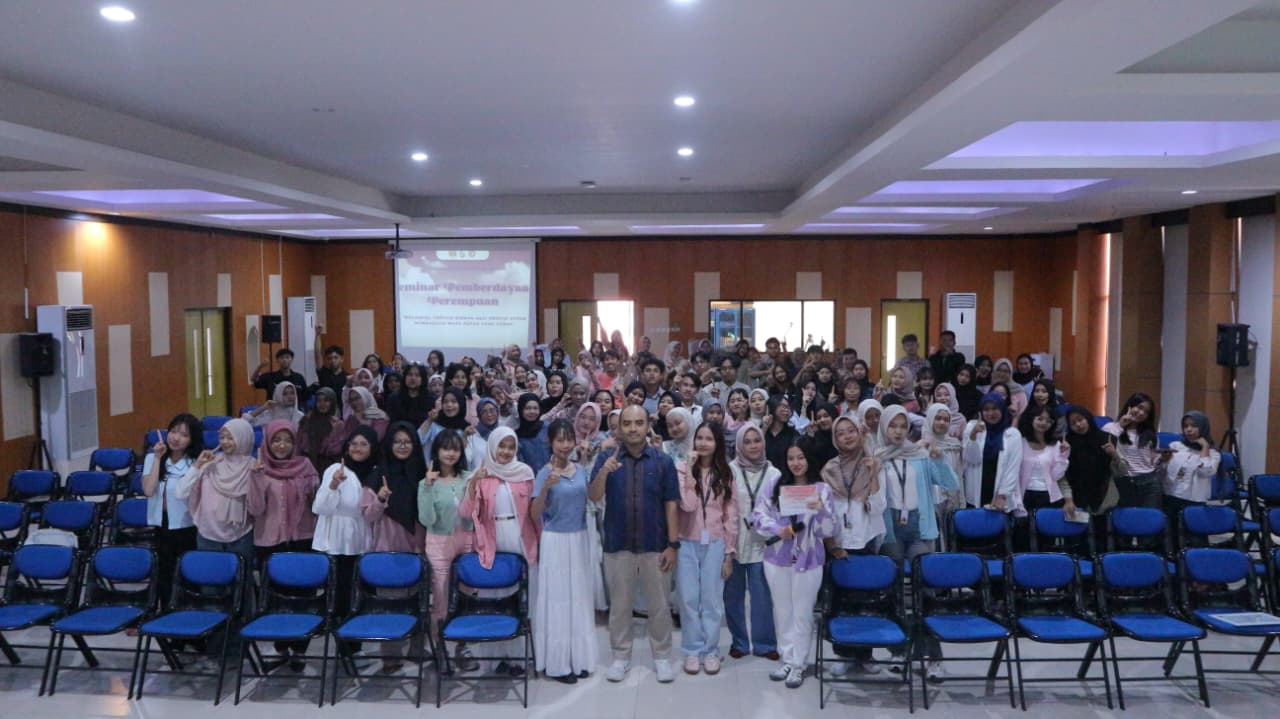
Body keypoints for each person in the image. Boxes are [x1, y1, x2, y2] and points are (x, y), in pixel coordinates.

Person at [590, 405, 681, 684]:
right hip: (618, 544)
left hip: (656, 544)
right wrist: (603, 473)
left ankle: (662, 657)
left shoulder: (662, 461)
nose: (632, 428)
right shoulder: (606, 458)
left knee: (659, 606)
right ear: (619, 428)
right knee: (620, 605)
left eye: (638, 423)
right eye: (627, 423)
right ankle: (620, 657)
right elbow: (593, 496)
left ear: (647, 426)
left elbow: (671, 504)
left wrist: (673, 544)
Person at [875, 405, 961, 680]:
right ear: (884, 427)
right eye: (893, 425)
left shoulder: (921, 455)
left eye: (903, 426)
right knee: (894, 594)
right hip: (891, 532)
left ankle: (932, 657)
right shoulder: (877, 457)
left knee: (926, 594)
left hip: (920, 530)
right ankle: (899, 652)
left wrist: (939, 459)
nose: (898, 431)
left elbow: (952, 483)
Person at [458, 427, 540, 676]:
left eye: (510, 447)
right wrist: (474, 483)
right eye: (501, 446)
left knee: (522, 599)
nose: (505, 451)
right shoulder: (481, 473)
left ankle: (519, 658)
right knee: (495, 598)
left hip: (521, 537)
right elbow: (465, 513)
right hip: (492, 540)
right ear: (492, 447)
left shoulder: (525, 473)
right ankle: (494, 659)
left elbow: (535, 513)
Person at [754, 441, 836, 689]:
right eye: (791, 458)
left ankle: (799, 663)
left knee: (802, 612)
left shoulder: (821, 489)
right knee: (782, 611)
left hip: (809, 560)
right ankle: (787, 659)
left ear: (809, 459)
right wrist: (778, 529)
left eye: (801, 457)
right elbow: (758, 516)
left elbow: (829, 529)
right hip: (777, 558)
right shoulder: (775, 485)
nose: (796, 463)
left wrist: (820, 511)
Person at [247, 419, 319, 669]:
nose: (281, 445)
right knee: (276, 598)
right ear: (268, 442)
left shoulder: (306, 466)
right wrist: (256, 479)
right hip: (270, 541)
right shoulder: (259, 468)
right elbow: (255, 509)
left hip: (302, 538)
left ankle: (299, 648)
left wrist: (322, 488)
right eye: (276, 440)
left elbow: (317, 504)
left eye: (287, 440)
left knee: (303, 596)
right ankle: (281, 646)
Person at [531, 420, 597, 683]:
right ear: (550, 442)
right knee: (558, 601)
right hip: (555, 541)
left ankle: (579, 659)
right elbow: (534, 514)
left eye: (569, 439)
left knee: (579, 598)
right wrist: (546, 488)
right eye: (560, 440)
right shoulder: (543, 473)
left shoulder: (580, 469)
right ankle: (558, 664)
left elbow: (592, 498)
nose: (565, 445)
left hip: (579, 538)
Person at [821, 416, 884, 676]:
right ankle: (844, 653)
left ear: (860, 434)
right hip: (839, 543)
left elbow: (879, 507)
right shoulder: (829, 469)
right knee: (841, 602)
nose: (847, 436)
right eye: (840, 433)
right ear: (835, 439)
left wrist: (873, 473)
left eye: (851, 431)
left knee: (867, 602)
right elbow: (825, 512)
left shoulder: (873, 464)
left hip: (866, 538)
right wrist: (832, 544)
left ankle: (866, 654)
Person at [675, 422, 739, 676]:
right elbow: (688, 505)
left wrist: (729, 553)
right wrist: (691, 472)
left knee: (711, 600)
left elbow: (731, 514)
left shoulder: (725, 473)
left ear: (717, 443)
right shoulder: (681, 469)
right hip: (686, 541)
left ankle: (711, 650)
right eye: (699, 438)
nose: (703, 443)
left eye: (709, 439)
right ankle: (692, 650)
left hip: (715, 542)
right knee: (688, 599)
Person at [724, 423, 779, 661]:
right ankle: (739, 642)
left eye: (757, 440)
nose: (753, 446)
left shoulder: (774, 473)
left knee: (762, 596)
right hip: (734, 541)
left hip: (763, 542)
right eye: (747, 442)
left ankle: (765, 644)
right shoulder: (730, 471)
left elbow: (779, 508)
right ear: (739, 445)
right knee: (733, 595)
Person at [312, 426, 377, 626]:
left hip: (360, 538)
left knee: (359, 593)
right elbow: (319, 507)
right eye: (353, 443)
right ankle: (339, 632)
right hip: (335, 540)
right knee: (339, 593)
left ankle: (357, 635)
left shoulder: (376, 472)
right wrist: (333, 485)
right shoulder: (336, 470)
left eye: (364, 444)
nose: (357, 448)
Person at [418, 429, 475, 653]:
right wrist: (428, 487)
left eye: (455, 449)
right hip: (438, 542)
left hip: (467, 538)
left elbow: (475, 511)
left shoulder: (468, 478)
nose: (450, 453)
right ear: (437, 451)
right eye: (446, 448)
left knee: (467, 593)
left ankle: (463, 644)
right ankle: (438, 645)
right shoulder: (426, 482)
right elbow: (427, 519)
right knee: (440, 596)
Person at [175, 418, 256, 564]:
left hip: (241, 535)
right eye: (222, 437)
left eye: (230, 438)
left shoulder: (253, 466)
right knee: (209, 576)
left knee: (241, 575)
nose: (224, 442)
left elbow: (257, 505)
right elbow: (180, 493)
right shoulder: (210, 462)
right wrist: (198, 465)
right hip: (208, 534)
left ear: (243, 438)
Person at [141, 413, 204, 591]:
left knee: (187, 572)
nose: (176, 438)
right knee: (164, 573)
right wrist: (157, 458)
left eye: (184, 435)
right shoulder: (152, 458)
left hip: (187, 524)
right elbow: (148, 490)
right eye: (173, 432)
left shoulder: (196, 463)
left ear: (192, 439)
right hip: (161, 523)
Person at [1013, 405, 1071, 550]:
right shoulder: (1020, 442)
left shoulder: (1055, 445)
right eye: (1040, 419)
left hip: (1049, 497)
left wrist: (1063, 456)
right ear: (1032, 420)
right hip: (1025, 496)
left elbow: (1057, 475)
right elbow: (1014, 474)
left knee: (1046, 540)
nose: (1043, 423)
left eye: (1048, 421)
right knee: (1023, 539)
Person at [962, 393, 1023, 511]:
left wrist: (1003, 495)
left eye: (995, 408)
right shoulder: (972, 427)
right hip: (976, 491)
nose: (990, 413)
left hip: (1001, 495)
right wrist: (973, 435)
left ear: (1002, 409)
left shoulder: (1013, 434)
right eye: (986, 409)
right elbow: (972, 459)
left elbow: (1013, 468)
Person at [1102, 393, 1162, 509]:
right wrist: (1120, 425)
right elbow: (1106, 447)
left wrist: (1162, 459)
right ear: (1130, 406)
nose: (1141, 413)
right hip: (1122, 481)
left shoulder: (1151, 435)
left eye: (1146, 412)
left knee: (1149, 518)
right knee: (1125, 518)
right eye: (1139, 407)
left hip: (1149, 482)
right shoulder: (1111, 427)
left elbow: (1154, 461)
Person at [1161, 411, 1221, 526]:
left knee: (1193, 532)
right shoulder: (1176, 446)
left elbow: (1205, 472)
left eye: (1194, 426)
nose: (1189, 429)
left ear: (1203, 427)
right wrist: (1163, 460)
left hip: (1194, 500)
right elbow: (1163, 471)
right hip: (1171, 496)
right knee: (1170, 531)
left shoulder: (1213, 454)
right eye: (1185, 426)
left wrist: (1205, 447)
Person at [298, 386, 343, 473]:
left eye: (326, 400)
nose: (322, 404)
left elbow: (336, 451)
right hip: (305, 465)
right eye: (319, 401)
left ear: (332, 402)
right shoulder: (306, 420)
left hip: (328, 467)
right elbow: (298, 444)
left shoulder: (338, 424)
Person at [514, 392, 551, 473]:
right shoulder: (516, 436)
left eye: (535, 408)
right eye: (527, 408)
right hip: (528, 477)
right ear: (521, 410)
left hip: (551, 475)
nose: (532, 411)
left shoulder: (547, 428)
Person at [763, 395, 799, 474]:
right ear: (772, 407)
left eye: (788, 407)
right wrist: (764, 428)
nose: (786, 410)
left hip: (787, 478)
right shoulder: (762, 431)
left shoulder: (792, 433)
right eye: (783, 406)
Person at [312, 341, 350, 410]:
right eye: (330, 358)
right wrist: (317, 335)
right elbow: (317, 353)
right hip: (325, 411)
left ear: (342, 359)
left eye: (336, 357)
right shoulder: (323, 373)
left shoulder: (348, 377)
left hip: (342, 411)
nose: (333, 360)